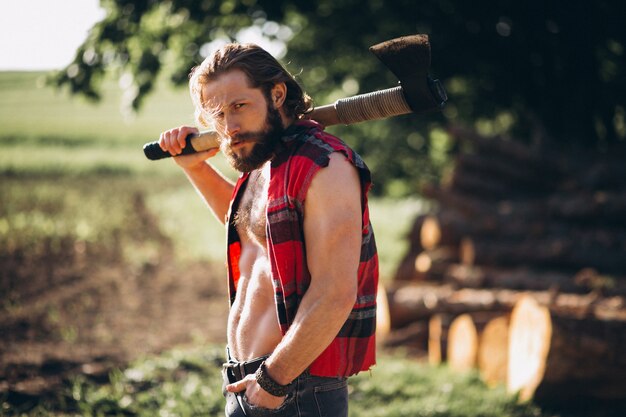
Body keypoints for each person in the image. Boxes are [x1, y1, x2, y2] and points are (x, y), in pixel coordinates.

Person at [158, 43, 379, 417]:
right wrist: (194, 168)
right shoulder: (266, 160)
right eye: (217, 113)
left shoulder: (325, 164)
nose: (229, 127)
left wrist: (273, 382)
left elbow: (335, 292)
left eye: (239, 106)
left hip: (294, 389)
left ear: (277, 94)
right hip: (250, 382)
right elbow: (251, 231)